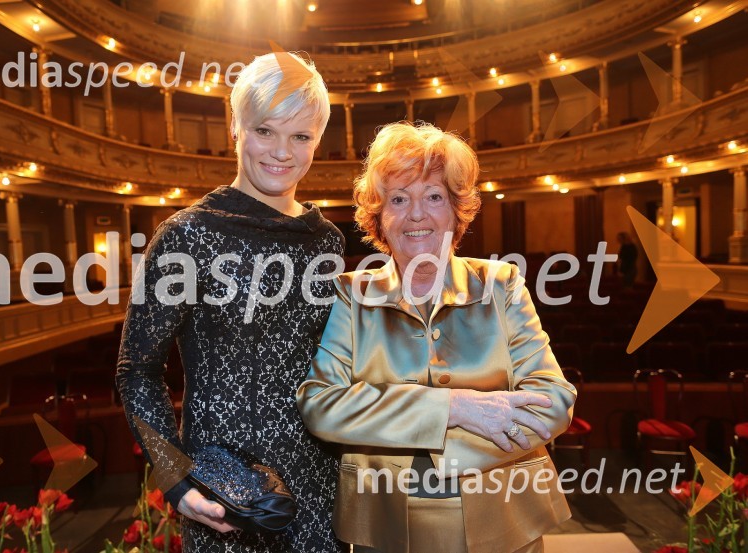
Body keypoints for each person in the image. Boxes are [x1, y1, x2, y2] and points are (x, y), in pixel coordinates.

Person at [296, 122, 577, 553]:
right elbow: (322, 406)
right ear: (379, 217)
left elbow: (553, 402)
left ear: (456, 211)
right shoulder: (352, 293)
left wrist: (388, 423)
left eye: (433, 197)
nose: (416, 214)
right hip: (384, 526)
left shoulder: (501, 284)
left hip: (506, 520)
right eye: (398, 199)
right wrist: (455, 409)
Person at [116, 52, 346, 553]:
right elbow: (137, 371)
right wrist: (176, 481)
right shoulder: (184, 237)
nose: (282, 152)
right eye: (266, 130)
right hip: (221, 495)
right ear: (235, 129)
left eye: (301, 136)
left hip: (318, 486)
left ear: (317, 141)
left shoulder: (326, 242)